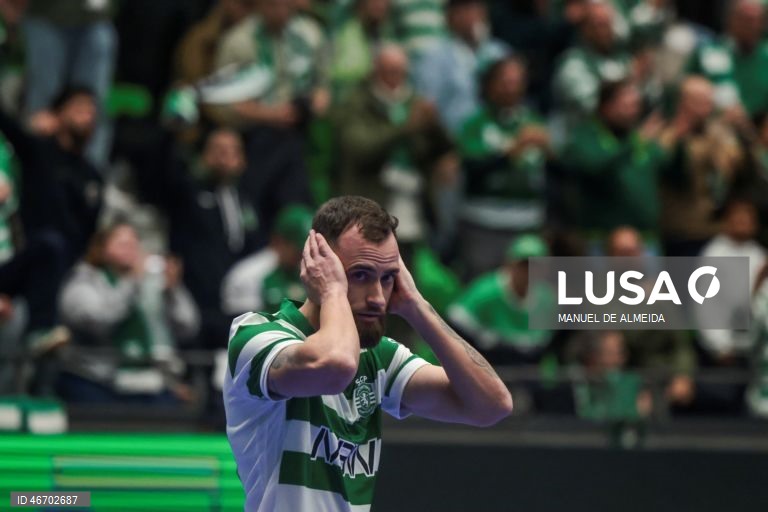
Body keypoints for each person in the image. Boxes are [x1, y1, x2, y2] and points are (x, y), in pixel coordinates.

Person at [223, 196, 512, 511]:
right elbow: (335, 367)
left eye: (388, 278)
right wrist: (332, 291)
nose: (378, 297)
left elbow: (492, 406)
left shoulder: (378, 358)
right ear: (320, 267)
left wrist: (416, 306)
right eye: (360, 275)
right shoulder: (256, 337)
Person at [58, 223, 199, 403]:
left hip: (148, 380)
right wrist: (132, 282)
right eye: (122, 244)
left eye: (134, 244)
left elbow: (188, 328)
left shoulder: (152, 282)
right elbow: (99, 323)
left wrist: (173, 290)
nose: (130, 250)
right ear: (101, 248)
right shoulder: (82, 282)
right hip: (95, 379)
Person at [458, 56, 549, 278]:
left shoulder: (534, 121)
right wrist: (511, 150)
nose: (512, 88)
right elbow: (472, 168)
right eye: (505, 81)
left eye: (517, 81)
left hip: (528, 223)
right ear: (490, 85)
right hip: (484, 223)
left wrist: (553, 153)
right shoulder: (475, 124)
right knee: (482, 285)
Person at [447, 234, 554, 365]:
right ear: (509, 264)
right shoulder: (486, 291)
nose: (529, 272)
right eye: (523, 265)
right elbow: (456, 320)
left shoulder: (546, 299)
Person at [413, 0, 510, 135]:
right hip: (453, 141)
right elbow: (428, 111)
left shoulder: (499, 53)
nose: (472, 15)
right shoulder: (433, 59)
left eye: (477, 8)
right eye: (464, 10)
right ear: (450, 17)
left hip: (499, 141)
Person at [221, 204, 313, 316]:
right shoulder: (247, 276)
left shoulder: (308, 269)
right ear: (279, 241)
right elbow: (245, 325)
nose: (303, 256)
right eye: (298, 250)